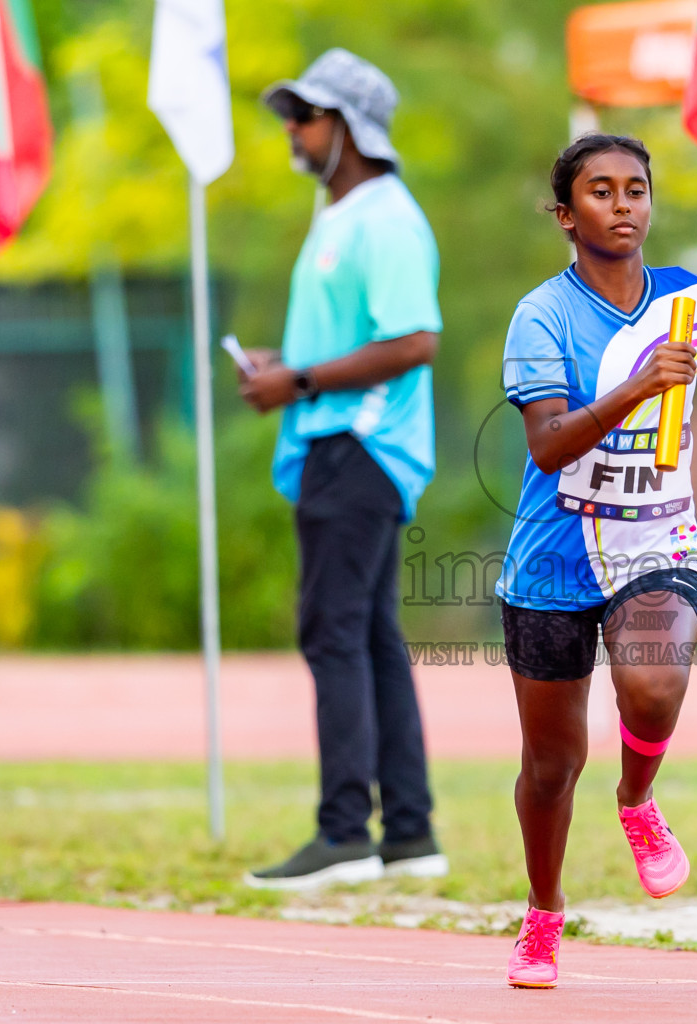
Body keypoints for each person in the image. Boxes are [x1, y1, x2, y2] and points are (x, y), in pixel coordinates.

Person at [496, 133, 697, 988]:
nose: (624, 204)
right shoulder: (543, 316)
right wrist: (634, 389)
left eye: (637, 189)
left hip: (656, 534)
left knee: (654, 677)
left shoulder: (682, 299)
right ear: (566, 215)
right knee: (551, 768)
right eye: (601, 191)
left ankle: (637, 800)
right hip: (554, 557)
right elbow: (551, 445)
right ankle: (544, 912)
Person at [239, 49, 446, 891]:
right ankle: (407, 833)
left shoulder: (385, 218)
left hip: (358, 449)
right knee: (368, 637)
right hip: (346, 445)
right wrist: (286, 366)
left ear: (350, 126)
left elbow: (414, 340)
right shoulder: (344, 215)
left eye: (307, 114)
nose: (293, 128)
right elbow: (358, 336)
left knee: (332, 632)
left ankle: (343, 834)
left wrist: (304, 381)